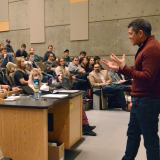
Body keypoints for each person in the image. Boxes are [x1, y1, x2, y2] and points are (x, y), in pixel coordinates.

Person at [103, 19, 160, 160]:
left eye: (130, 34)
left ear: (140, 33)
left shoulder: (151, 48)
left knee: (150, 140)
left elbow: (147, 77)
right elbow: (140, 72)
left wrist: (125, 68)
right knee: (133, 135)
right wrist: (121, 69)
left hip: (147, 101)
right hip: (141, 100)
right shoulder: (146, 46)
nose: (129, 37)